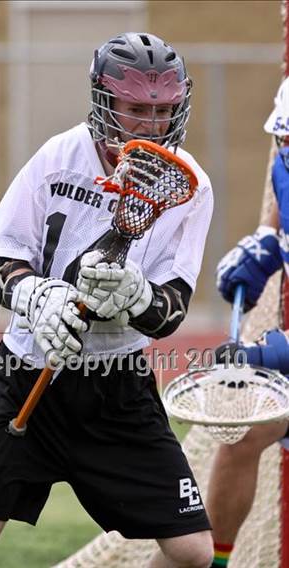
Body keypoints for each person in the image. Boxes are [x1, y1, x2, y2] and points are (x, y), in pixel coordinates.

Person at [0, 32, 214, 568]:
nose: (151, 124)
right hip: (27, 374)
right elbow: (4, 261)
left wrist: (136, 297)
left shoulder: (188, 184)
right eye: (136, 109)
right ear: (104, 99)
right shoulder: (58, 157)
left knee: (191, 552)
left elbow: (170, 311)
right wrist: (39, 297)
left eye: (162, 110)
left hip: (117, 386)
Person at [206, 77, 289, 568]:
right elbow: (279, 213)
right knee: (243, 433)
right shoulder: (284, 163)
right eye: (286, 139)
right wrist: (264, 245)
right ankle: (215, 563)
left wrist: (264, 356)